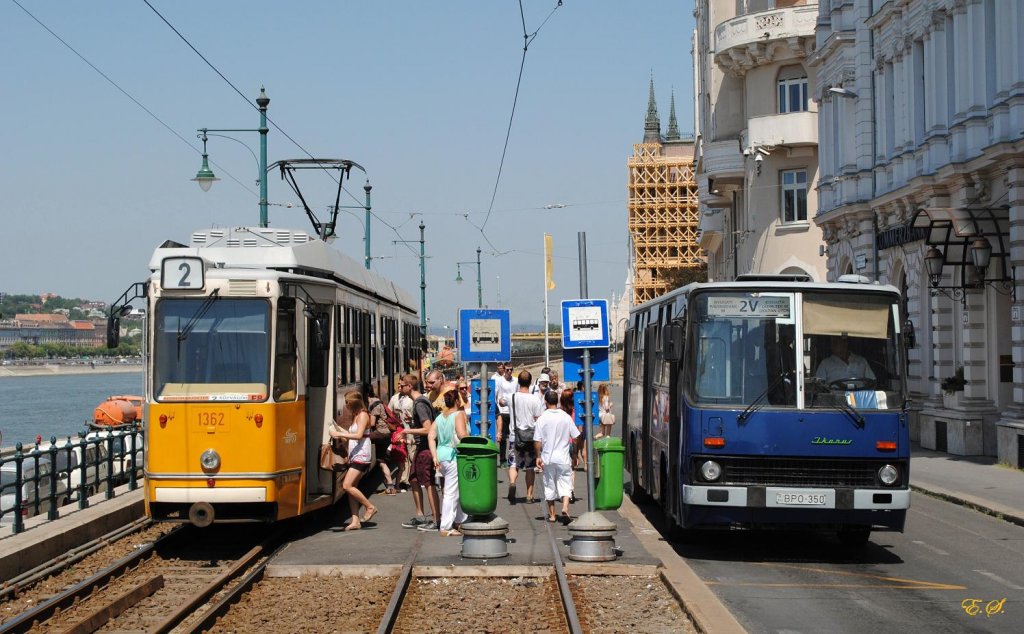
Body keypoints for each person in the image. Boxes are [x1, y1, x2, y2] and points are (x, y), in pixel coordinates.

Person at [329, 391, 378, 531]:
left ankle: (370, 506)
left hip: (362, 455)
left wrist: (339, 433)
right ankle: (355, 520)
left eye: (347, 402)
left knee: (347, 486)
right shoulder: (355, 415)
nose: (346, 405)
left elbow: (358, 435)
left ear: (354, 402)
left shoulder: (362, 415)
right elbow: (352, 437)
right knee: (352, 489)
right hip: (355, 454)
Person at [401, 371, 443, 531]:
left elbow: (428, 429)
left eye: (402, 385)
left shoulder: (419, 403)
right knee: (413, 478)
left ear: (409, 386)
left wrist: (408, 431)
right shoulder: (420, 402)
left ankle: (436, 519)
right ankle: (420, 515)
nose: (400, 387)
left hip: (426, 448)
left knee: (429, 483)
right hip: (421, 447)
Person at [429, 386, 469, 537]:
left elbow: (431, 436)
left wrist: (434, 456)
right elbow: (461, 434)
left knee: (456, 490)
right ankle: (446, 526)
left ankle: (459, 520)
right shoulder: (458, 414)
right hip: (454, 456)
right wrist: (472, 441)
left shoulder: (440, 417)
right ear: (458, 401)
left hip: (441, 456)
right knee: (451, 492)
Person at [535, 390, 580, 524]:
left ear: (546, 402)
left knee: (549, 486)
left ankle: (553, 515)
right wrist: (574, 454)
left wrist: (538, 456)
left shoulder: (542, 418)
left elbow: (537, 440)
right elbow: (576, 437)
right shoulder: (565, 417)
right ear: (558, 401)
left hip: (548, 457)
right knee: (566, 483)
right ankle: (565, 507)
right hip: (563, 457)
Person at [506, 370, 544, 504]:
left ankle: (512, 483)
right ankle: (529, 495)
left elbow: (501, 402)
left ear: (518, 382)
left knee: (513, 464)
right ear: (530, 382)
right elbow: (538, 419)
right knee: (530, 467)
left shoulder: (511, 397)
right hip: (530, 437)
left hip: (514, 437)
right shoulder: (535, 399)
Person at [363, 383, 397, 496]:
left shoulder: (373, 404)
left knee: (359, 438)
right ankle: (390, 486)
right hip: (385, 434)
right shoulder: (377, 401)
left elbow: (372, 423)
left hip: (380, 433)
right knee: (381, 461)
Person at [389, 378, 416, 491]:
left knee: (412, 453)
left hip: (411, 429)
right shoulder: (394, 398)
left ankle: (414, 477)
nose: (399, 387)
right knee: (403, 455)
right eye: (398, 384)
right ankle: (404, 480)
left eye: (401, 385)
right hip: (400, 430)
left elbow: (417, 415)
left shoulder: (412, 399)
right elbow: (389, 413)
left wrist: (412, 419)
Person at [494, 364, 517, 464]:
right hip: (503, 411)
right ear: (504, 370)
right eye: (507, 370)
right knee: (503, 437)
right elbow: (495, 393)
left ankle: (513, 458)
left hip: (512, 411)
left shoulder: (516, 380)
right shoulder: (499, 380)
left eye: (511, 369)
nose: (509, 371)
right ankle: (502, 459)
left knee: (513, 435)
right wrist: (498, 401)